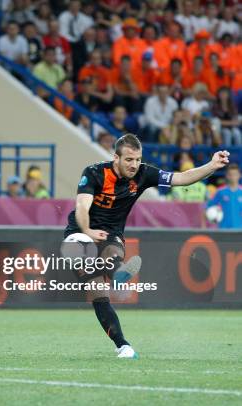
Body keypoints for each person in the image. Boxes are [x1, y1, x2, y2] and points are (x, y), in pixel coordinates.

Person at [64, 133, 230, 358]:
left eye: (137, 159)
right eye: (129, 160)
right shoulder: (94, 173)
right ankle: (121, 341)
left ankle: (118, 280)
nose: (134, 165)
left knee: (112, 251)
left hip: (111, 233)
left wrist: (212, 165)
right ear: (116, 157)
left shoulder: (144, 173)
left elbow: (182, 178)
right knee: (97, 291)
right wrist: (87, 231)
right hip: (80, 232)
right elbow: (82, 206)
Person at [206, 164, 241, 229]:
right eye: (230, 174)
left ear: (239, 175)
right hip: (224, 229)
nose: (233, 177)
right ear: (227, 176)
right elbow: (208, 207)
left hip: (240, 229)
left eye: (235, 174)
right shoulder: (220, 192)